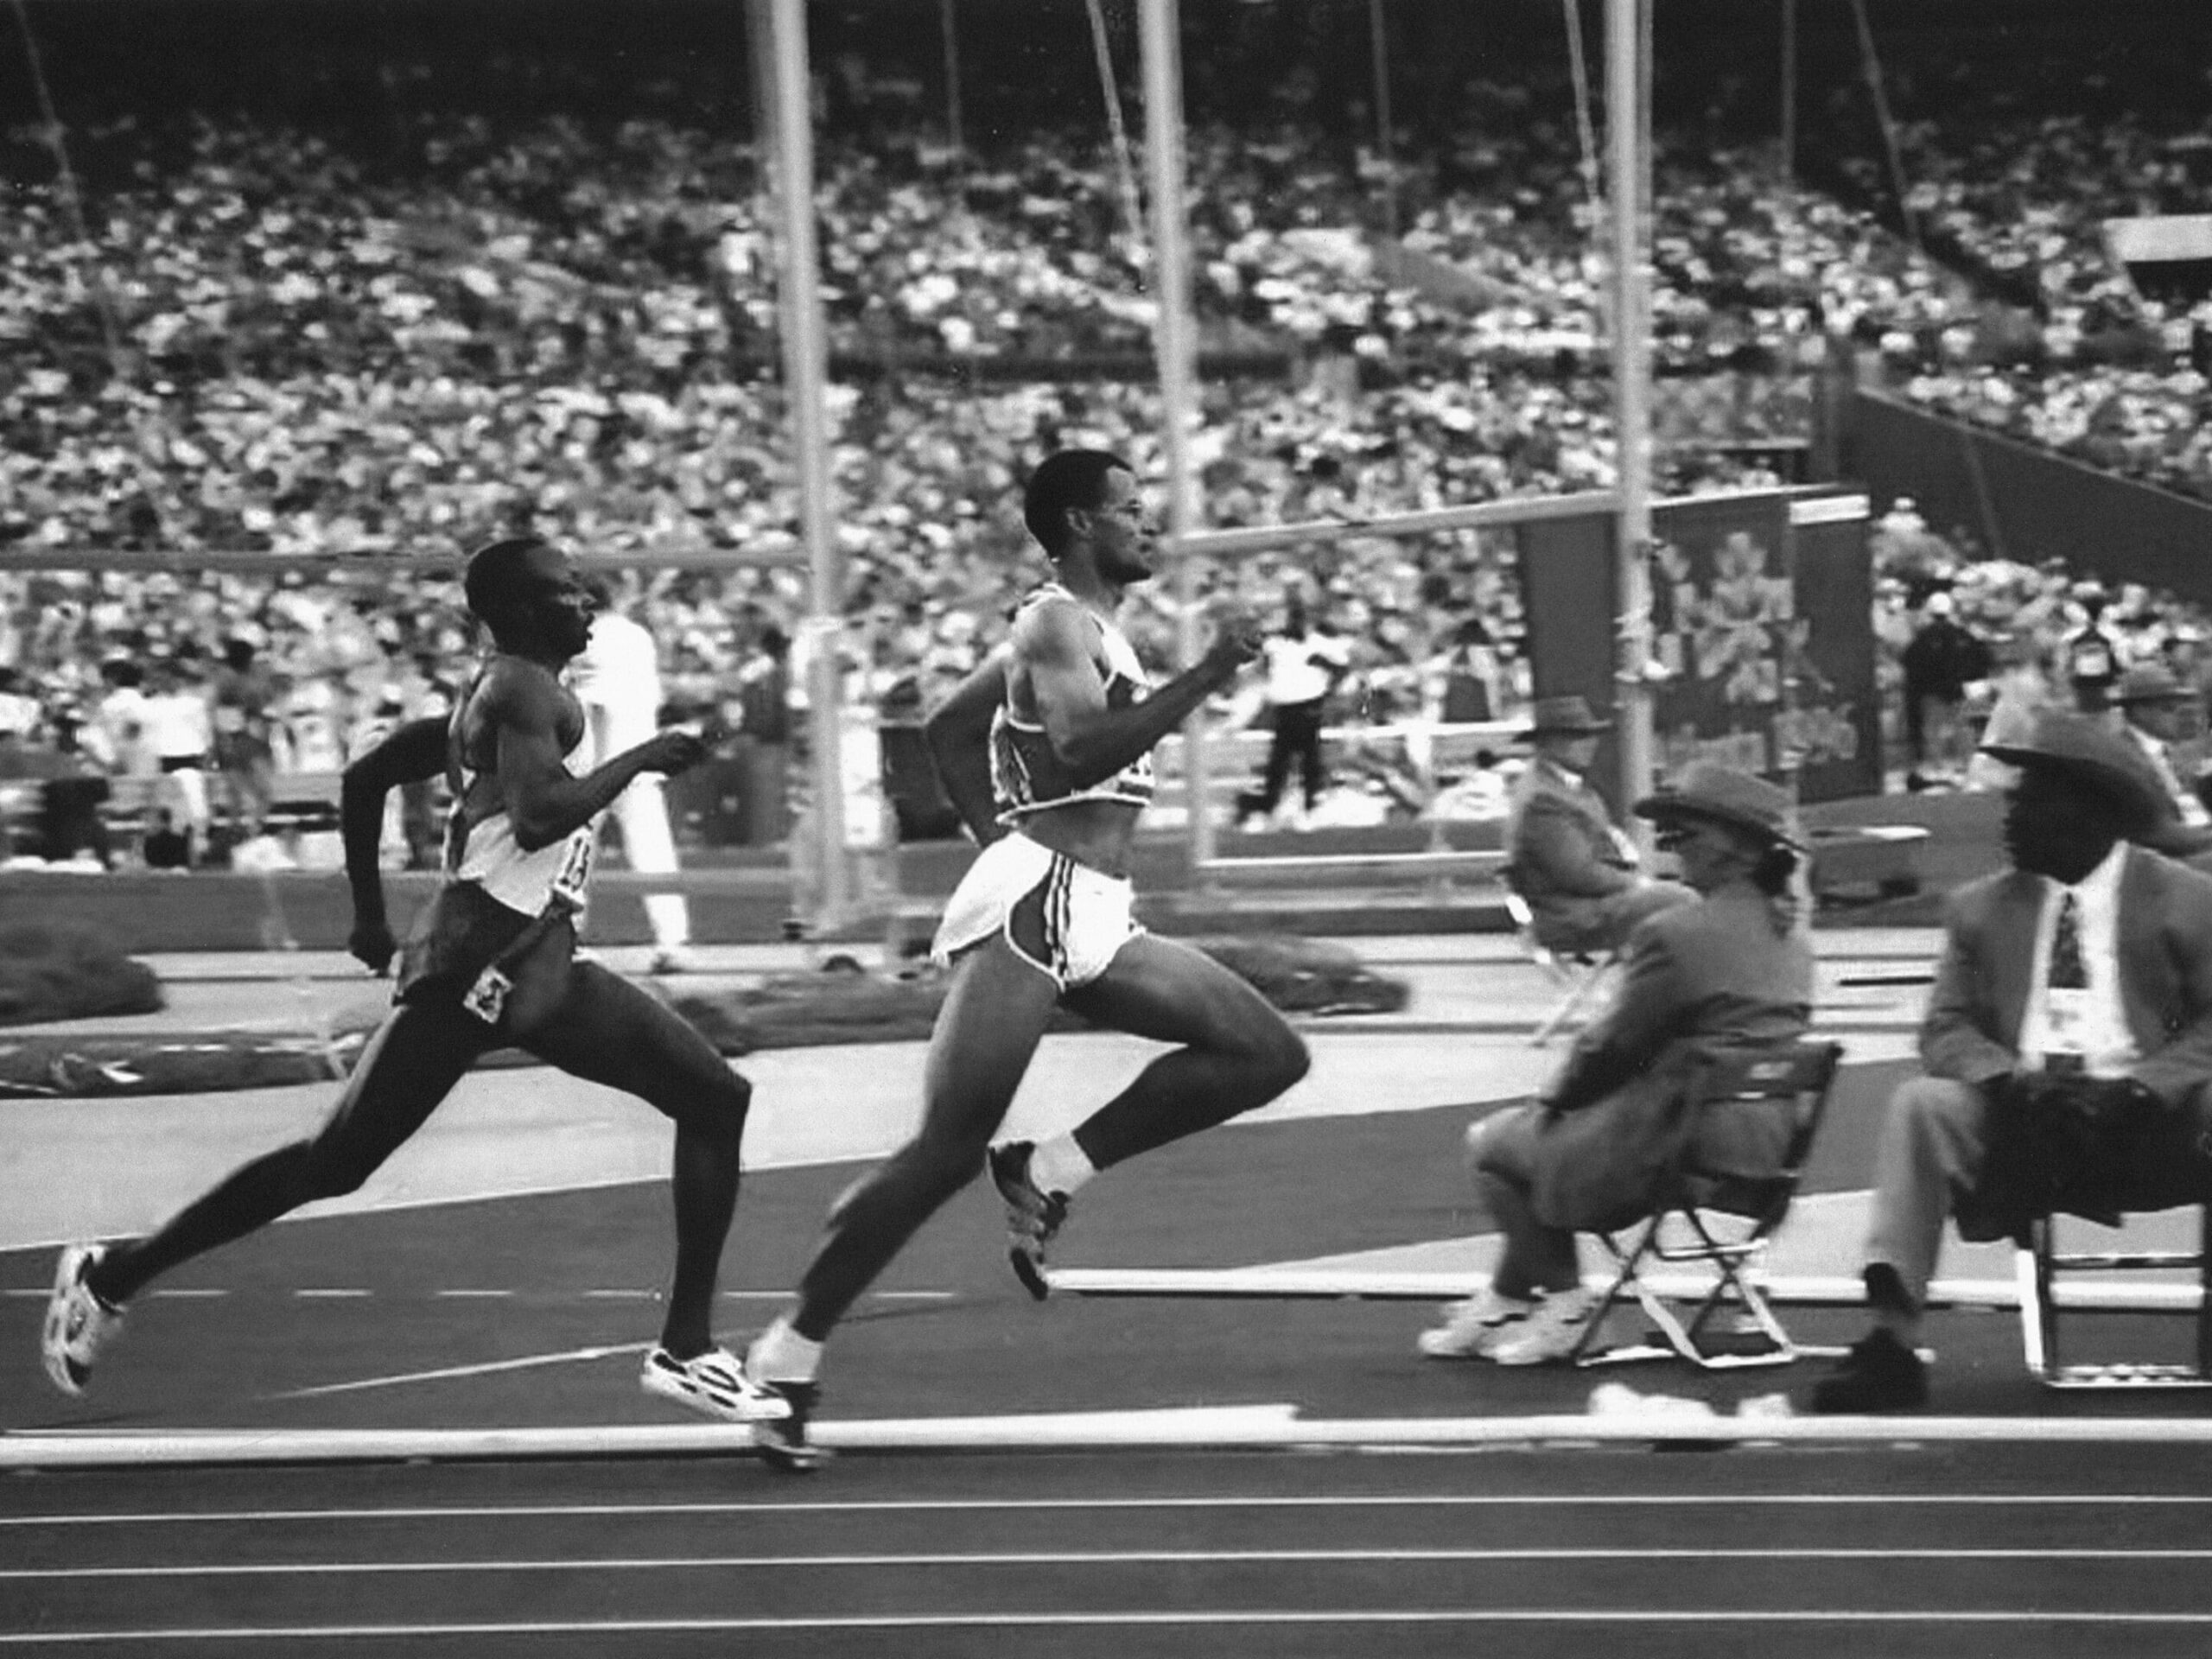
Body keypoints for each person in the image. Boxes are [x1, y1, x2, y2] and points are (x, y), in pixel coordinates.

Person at [41, 536, 788, 1428]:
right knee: (336, 1163)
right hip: (478, 964)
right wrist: (640, 760)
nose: (587, 599)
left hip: (531, 960)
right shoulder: (521, 688)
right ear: (519, 611)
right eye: (568, 589)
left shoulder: (498, 691)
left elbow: (366, 778)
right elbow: (542, 816)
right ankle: (111, 1275)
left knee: (713, 1098)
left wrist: (367, 915)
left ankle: (688, 1347)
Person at [742, 449, 1311, 1471]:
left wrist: (994, 832)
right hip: (1037, 904)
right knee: (938, 1153)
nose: (1151, 526)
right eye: (1133, 510)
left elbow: (947, 727)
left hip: (1086, 902)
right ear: (1081, 524)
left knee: (1265, 1053)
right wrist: (1211, 673)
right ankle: (784, 1359)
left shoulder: (1078, 628)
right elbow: (1085, 751)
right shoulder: (1053, 620)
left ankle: (1046, 1169)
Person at [1808, 711, 2212, 1413]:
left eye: (2027, 800)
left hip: (2158, 1122)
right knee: (1921, 1103)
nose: (2008, 815)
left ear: (2087, 811)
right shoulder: (1979, 909)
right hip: (2024, 1120)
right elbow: (1946, 1027)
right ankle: (1891, 1344)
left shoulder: (2187, 900)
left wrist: (2146, 1088)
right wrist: (2007, 1081)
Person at [1420, 762, 1817, 1365]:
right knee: (1531, 1137)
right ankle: (1504, 1298)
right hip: (1765, 1157)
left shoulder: (1676, 932)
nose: (1670, 847)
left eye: (1684, 835)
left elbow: (1609, 1049)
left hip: (1667, 1149)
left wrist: (1554, 1098)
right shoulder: (1795, 939)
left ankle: (1568, 1303)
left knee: (1492, 1144)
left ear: (1730, 850)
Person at [570, 575, 695, 973]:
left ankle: (565, 940)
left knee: (571, 856)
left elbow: (596, 707)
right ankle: (673, 943)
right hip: (641, 757)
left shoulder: (587, 637)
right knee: (654, 855)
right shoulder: (637, 634)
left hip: (599, 765)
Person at [1502, 695, 1692, 955]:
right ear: (1549, 743)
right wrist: (1637, 884)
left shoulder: (1566, 789)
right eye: (1577, 737)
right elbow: (1580, 874)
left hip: (1590, 904)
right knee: (1683, 901)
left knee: (1684, 897)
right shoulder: (1543, 801)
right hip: (1573, 916)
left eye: (1590, 735)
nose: (1589, 744)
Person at [1237, 589, 1351, 830]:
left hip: (1308, 707)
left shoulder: (1318, 644)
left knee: (1310, 759)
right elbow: (1263, 665)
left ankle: (1310, 809)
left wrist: (1327, 691)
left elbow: (1341, 668)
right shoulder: (1274, 644)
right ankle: (1268, 810)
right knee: (1279, 761)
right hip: (1284, 709)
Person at [2111, 662, 2212, 858]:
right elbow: (2152, 830)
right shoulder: (2122, 756)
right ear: (2140, 711)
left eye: (2179, 705)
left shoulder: (2173, 750)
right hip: (2166, 858)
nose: (2178, 713)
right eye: (2168, 707)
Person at [1898, 590, 1992, 791]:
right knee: (1966, 731)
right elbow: (1983, 660)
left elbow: (1910, 662)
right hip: (1965, 691)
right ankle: (1969, 769)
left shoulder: (1924, 638)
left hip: (1933, 693)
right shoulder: (1964, 635)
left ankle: (1938, 770)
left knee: (1934, 732)